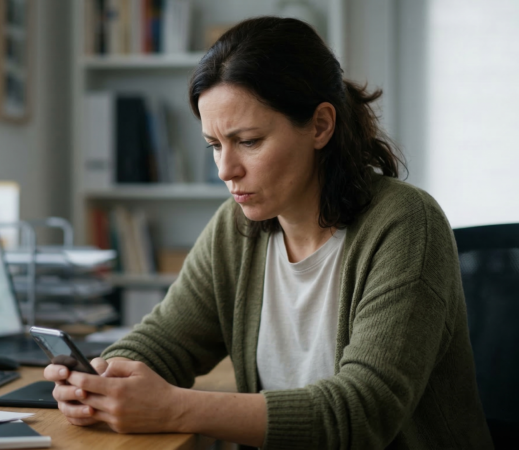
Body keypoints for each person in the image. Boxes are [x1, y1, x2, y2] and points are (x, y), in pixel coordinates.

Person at [45, 16, 492, 449]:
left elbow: (361, 415)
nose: (225, 169)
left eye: (249, 141)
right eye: (215, 145)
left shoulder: (406, 224)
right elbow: (165, 340)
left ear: (320, 125)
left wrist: (175, 409)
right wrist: (101, 378)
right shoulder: (238, 225)